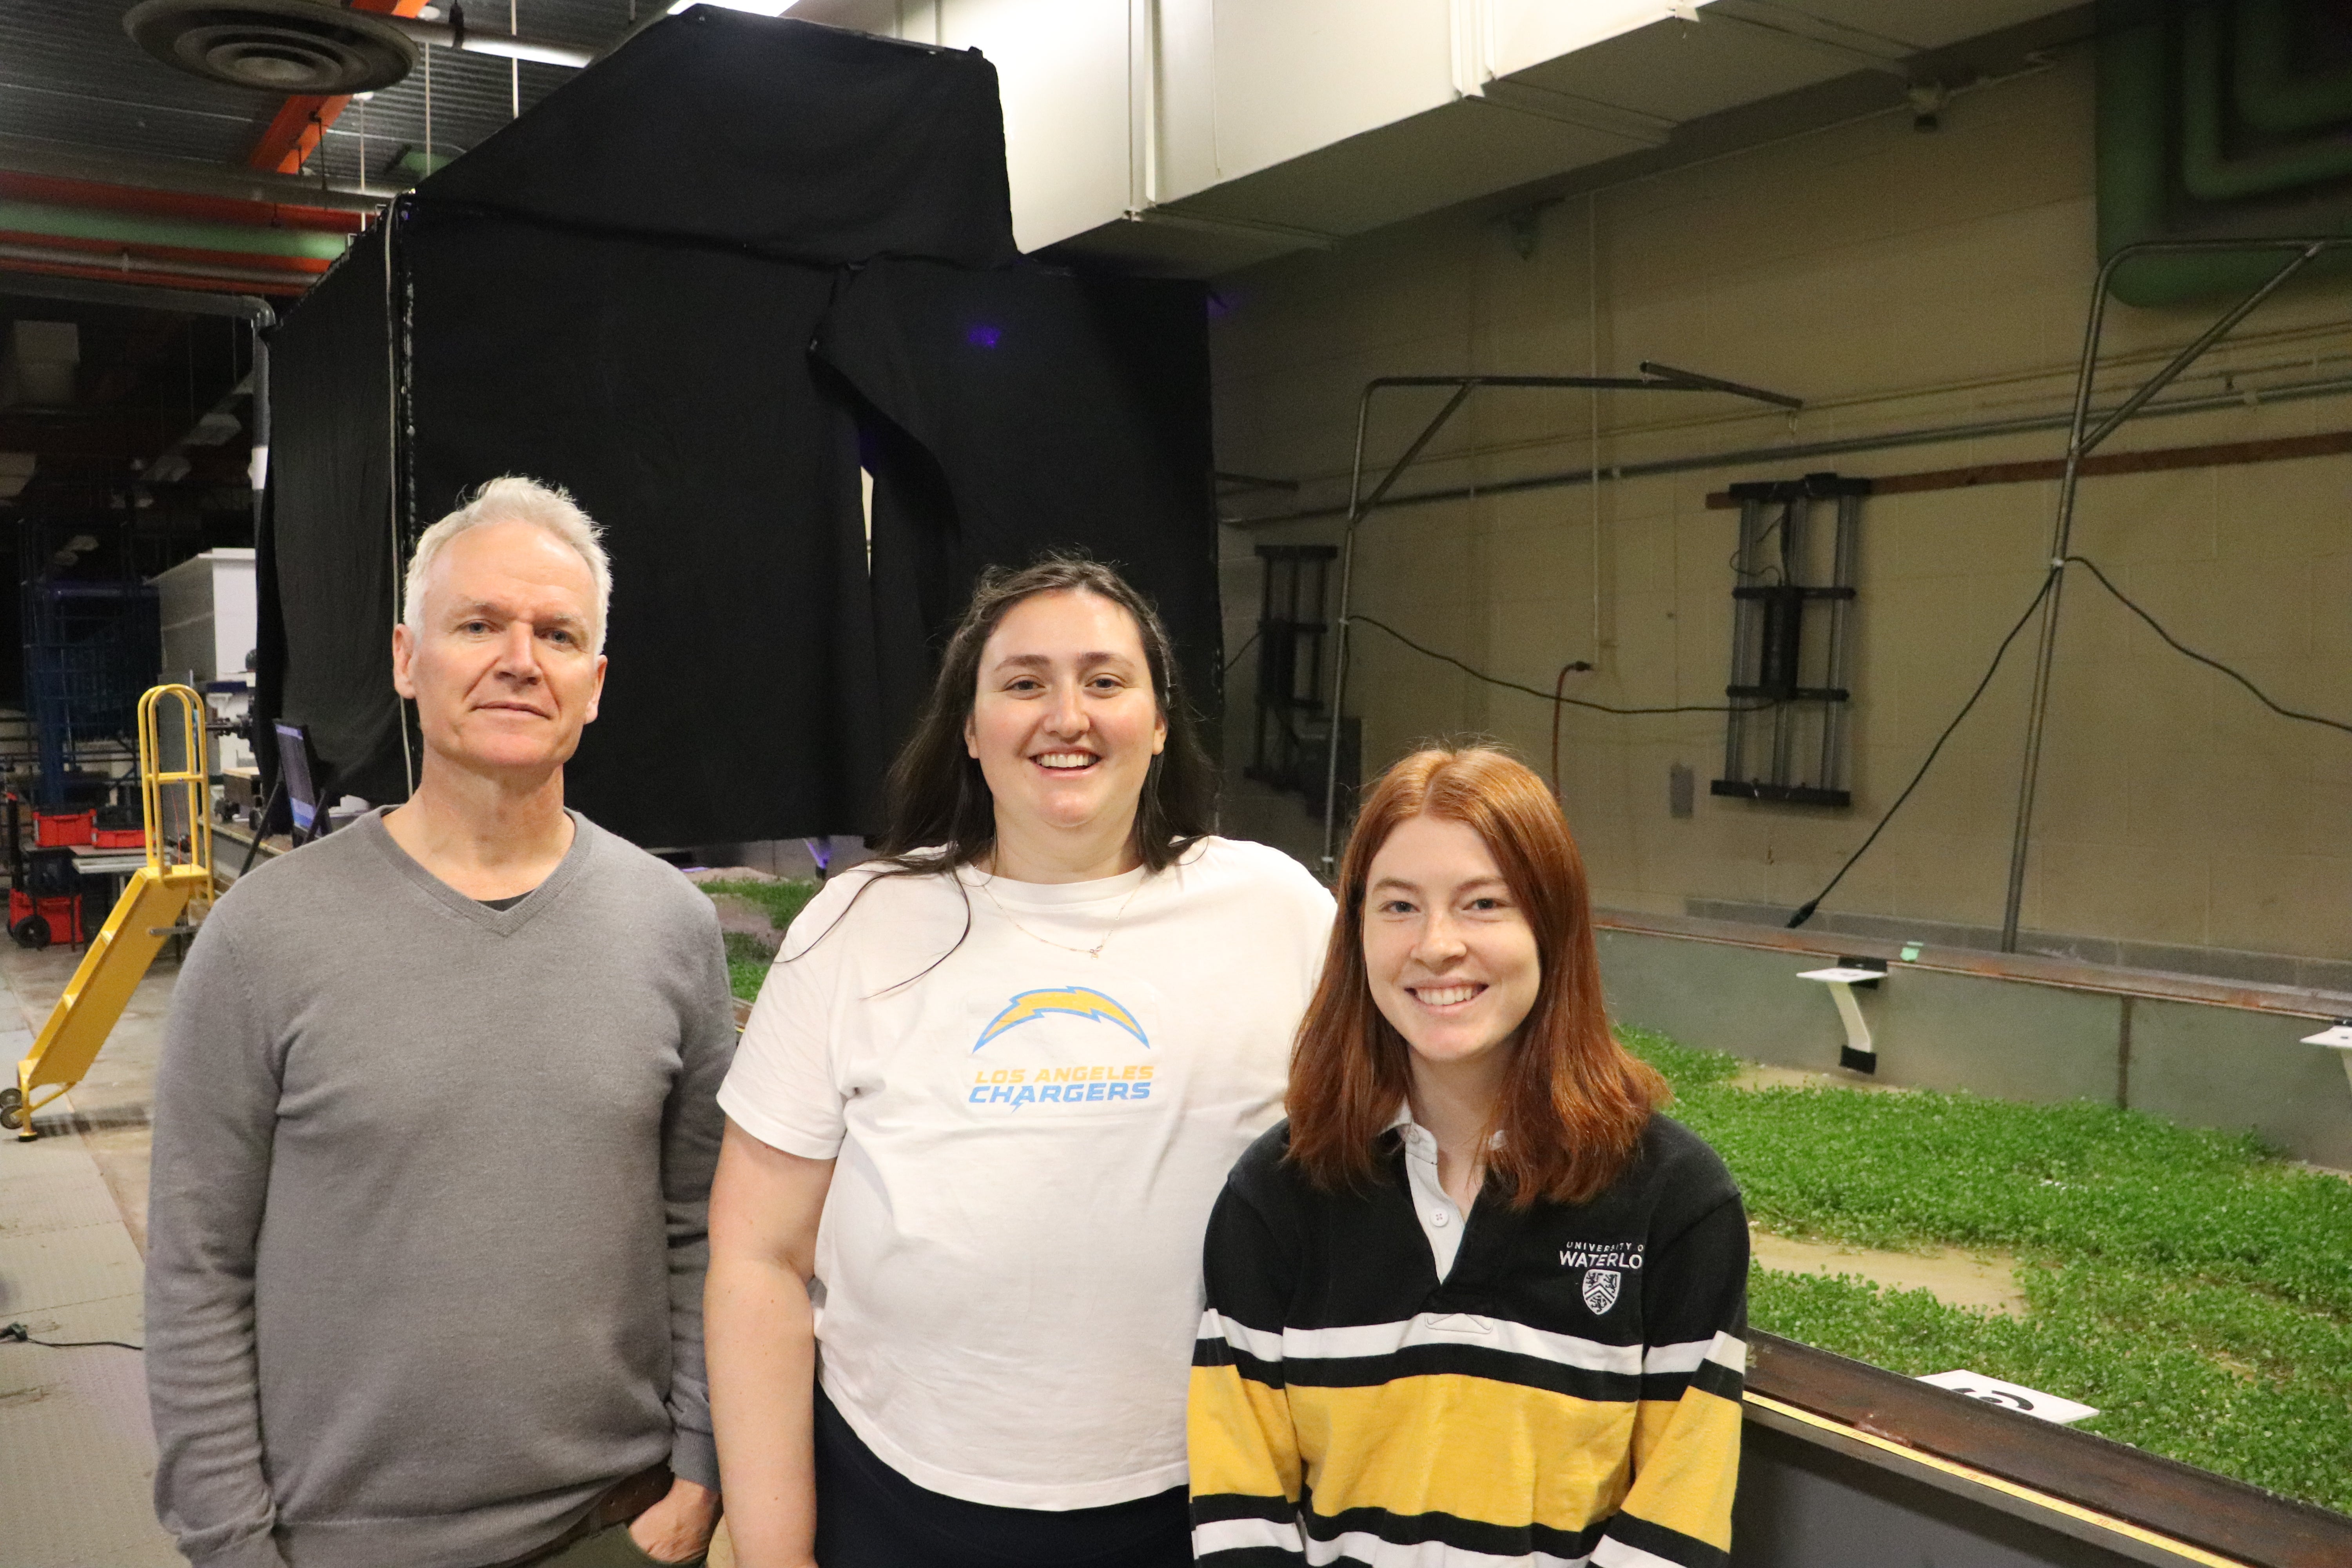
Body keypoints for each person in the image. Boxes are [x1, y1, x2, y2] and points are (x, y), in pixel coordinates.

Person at [146, 477, 732, 1568]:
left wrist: (701, 1466)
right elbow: (196, 1267)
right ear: (410, 659)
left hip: (615, 1527)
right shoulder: (265, 937)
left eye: (557, 634)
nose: (520, 658)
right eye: (479, 625)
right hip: (343, 1541)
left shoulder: (672, 929)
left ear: (594, 684)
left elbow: (703, 1224)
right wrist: (230, 1543)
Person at [707, 555, 1335, 1568]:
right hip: (899, 1497)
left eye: (1104, 680)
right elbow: (756, 1260)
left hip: (1210, 1499)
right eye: (1024, 683)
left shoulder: (1280, 913)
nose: (1066, 714)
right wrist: (778, 1554)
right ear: (969, 728)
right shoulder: (862, 921)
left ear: (1162, 720)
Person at [1189, 745, 1748, 1568]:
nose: (1437, 944)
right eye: (1399, 905)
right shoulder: (1275, 1196)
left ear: (1551, 926)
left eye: (1483, 903)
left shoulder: (1676, 1200)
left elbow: (1677, 1520)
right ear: (1358, 934)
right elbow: (1243, 1515)